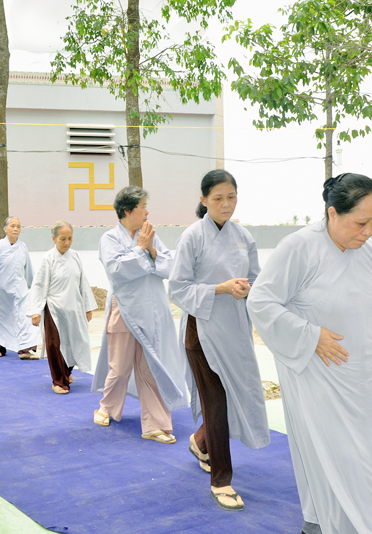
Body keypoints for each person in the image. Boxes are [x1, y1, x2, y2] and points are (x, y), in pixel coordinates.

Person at [247, 173, 372, 534]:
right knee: (334, 456)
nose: (369, 232)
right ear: (333, 213)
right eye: (361, 223)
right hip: (321, 376)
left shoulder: (365, 250)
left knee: (368, 455)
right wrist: (311, 335)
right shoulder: (298, 247)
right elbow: (261, 301)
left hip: (366, 378)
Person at [168, 170, 269, 511]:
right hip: (202, 331)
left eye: (231, 197)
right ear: (203, 200)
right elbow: (178, 288)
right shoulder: (192, 237)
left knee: (230, 396)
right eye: (218, 198)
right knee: (215, 402)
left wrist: (247, 288)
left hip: (234, 330)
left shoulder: (243, 236)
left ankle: (200, 443)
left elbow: (256, 278)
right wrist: (221, 288)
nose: (226, 204)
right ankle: (221, 480)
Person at [91, 186, 187, 444]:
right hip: (123, 309)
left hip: (151, 311)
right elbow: (116, 271)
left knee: (150, 367)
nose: (147, 212)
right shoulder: (110, 238)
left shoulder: (151, 236)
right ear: (127, 211)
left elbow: (170, 267)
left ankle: (154, 425)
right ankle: (107, 406)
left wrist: (151, 251)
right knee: (120, 367)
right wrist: (140, 249)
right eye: (142, 207)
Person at [28, 221, 97, 394]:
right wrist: (36, 311)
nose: (67, 243)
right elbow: (39, 285)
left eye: (70, 238)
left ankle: (66, 372)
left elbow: (82, 282)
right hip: (54, 309)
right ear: (54, 238)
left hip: (74, 308)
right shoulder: (48, 259)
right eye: (62, 239)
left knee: (75, 341)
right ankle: (58, 381)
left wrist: (87, 307)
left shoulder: (75, 256)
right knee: (55, 344)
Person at [0, 217, 41, 358]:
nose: (15, 229)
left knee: (24, 319)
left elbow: (28, 269)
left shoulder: (23, 247)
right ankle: (0, 348)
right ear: (5, 229)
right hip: (1, 290)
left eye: (18, 226)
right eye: (12, 226)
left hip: (20, 290)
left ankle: (24, 349)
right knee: (1, 320)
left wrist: (33, 288)